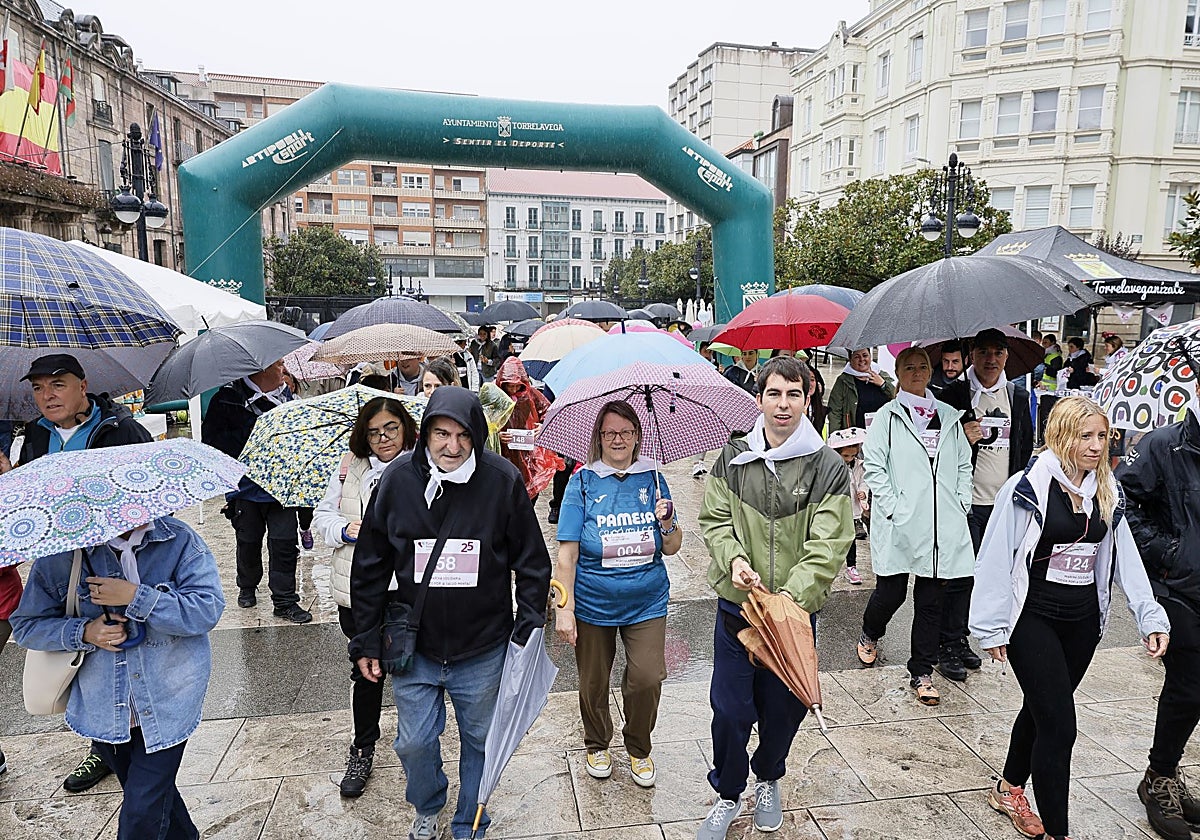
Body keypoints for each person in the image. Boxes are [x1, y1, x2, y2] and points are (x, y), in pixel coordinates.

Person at [348, 387, 550, 840]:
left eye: (462, 435)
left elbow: (532, 561)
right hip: (414, 649)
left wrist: (528, 625)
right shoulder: (398, 480)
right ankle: (428, 803)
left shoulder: (501, 481)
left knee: (480, 741)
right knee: (414, 741)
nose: (452, 446)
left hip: (481, 647)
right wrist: (364, 637)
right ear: (425, 434)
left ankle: (469, 821)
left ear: (477, 435)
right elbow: (370, 564)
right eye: (441, 433)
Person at [971, 397, 1169, 840]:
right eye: (1086, 436)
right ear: (1062, 437)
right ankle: (1059, 833)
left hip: (1080, 624)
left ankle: (1008, 788)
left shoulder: (1105, 489)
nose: (1097, 446)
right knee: (1061, 727)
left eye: (1102, 436)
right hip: (1032, 619)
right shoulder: (1025, 488)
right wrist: (990, 625)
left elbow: (1125, 557)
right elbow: (995, 557)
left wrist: (1148, 614)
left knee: (1043, 708)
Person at [696, 356, 853, 840]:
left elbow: (830, 542)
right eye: (773, 393)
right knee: (730, 707)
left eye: (793, 394)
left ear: (808, 400)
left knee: (784, 710)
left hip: (791, 616)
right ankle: (727, 790)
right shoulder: (733, 457)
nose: (782, 405)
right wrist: (734, 559)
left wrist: (789, 598)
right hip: (738, 610)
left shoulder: (827, 465)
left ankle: (768, 777)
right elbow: (715, 521)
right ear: (759, 398)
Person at [11, 515, 226, 840]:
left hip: (170, 699)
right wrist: (85, 631)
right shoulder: (63, 555)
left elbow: (206, 610)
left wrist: (136, 596)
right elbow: (27, 625)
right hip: (104, 708)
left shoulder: (179, 540)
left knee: (140, 814)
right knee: (154, 798)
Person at [16, 353, 152, 793]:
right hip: (61, 560)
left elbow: (146, 492)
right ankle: (103, 744)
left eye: (57, 385)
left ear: (82, 385)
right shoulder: (36, 435)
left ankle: (137, 735)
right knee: (85, 646)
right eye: (37, 388)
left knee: (122, 646)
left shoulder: (120, 429)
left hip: (113, 556)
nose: (46, 396)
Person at [553, 400, 681, 787]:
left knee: (646, 678)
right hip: (593, 602)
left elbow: (672, 547)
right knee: (593, 681)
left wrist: (667, 521)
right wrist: (564, 606)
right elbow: (567, 552)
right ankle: (597, 742)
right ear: (598, 437)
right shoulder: (582, 481)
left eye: (626, 432)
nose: (618, 440)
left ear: (638, 435)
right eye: (609, 433)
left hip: (647, 599)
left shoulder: (654, 479)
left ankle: (639, 747)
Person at [856, 347, 974, 705]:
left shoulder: (950, 416)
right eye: (910, 366)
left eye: (923, 365)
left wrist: (961, 501)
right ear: (899, 372)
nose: (918, 371)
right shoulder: (887, 419)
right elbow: (874, 466)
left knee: (931, 601)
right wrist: (893, 508)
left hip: (941, 523)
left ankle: (921, 671)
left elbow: (963, 464)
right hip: (902, 523)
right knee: (891, 593)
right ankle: (869, 632)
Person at [313, 397, 418, 798]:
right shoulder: (349, 468)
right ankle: (363, 747)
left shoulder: (421, 467)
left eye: (391, 428)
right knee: (366, 670)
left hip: (406, 589)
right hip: (359, 590)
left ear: (405, 428)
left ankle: (418, 749)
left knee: (411, 669)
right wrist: (344, 528)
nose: (383, 438)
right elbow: (322, 516)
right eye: (374, 432)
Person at [1116, 377, 1200, 840]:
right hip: (1176, 588)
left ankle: (1163, 772)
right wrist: (1170, 552)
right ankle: (1159, 777)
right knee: (1189, 682)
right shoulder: (1164, 444)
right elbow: (1122, 501)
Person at [938, 328, 1034, 681]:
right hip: (966, 502)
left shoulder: (1017, 396)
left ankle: (963, 638)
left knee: (989, 576)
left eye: (998, 352)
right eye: (983, 352)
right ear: (972, 356)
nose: (990, 359)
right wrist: (961, 439)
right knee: (961, 576)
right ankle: (947, 642)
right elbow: (936, 450)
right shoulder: (954, 395)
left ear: (1006, 356)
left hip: (1003, 502)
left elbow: (1025, 447)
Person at [202, 359, 311, 623]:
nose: (283, 371)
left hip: (283, 489)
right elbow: (213, 444)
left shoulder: (288, 400)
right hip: (245, 489)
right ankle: (247, 586)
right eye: (278, 366)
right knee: (248, 541)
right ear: (260, 370)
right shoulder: (228, 400)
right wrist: (252, 428)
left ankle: (285, 600)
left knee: (284, 544)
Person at [495, 356, 561, 499]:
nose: (513, 389)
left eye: (516, 385)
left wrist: (543, 427)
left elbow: (548, 413)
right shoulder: (495, 396)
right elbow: (485, 421)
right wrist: (496, 435)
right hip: (503, 451)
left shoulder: (531, 394)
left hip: (527, 451)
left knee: (528, 488)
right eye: (509, 385)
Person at [827, 427, 869, 584]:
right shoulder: (831, 465)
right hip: (834, 507)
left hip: (851, 507)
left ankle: (851, 566)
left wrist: (863, 492)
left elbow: (864, 481)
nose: (849, 458)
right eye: (845, 455)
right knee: (832, 536)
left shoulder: (859, 465)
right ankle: (829, 565)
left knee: (850, 538)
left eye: (853, 455)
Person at [826, 347, 896, 435]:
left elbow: (897, 398)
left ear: (870, 357)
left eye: (865, 355)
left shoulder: (882, 375)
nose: (862, 359)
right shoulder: (843, 381)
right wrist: (836, 437)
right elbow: (835, 412)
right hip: (855, 436)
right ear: (850, 360)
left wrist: (883, 384)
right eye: (856, 357)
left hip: (883, 432)